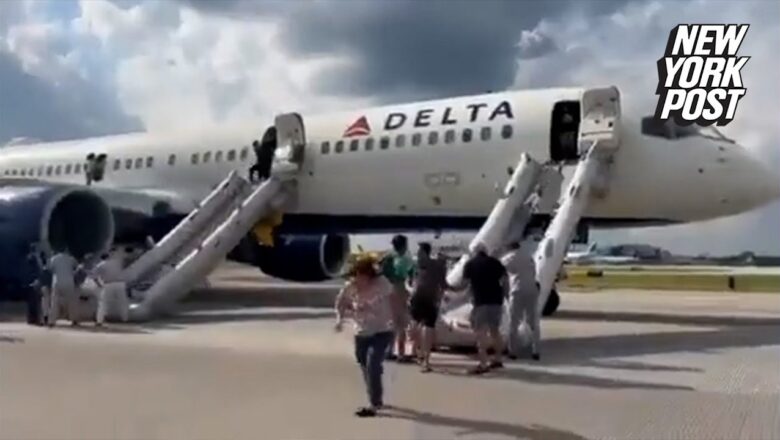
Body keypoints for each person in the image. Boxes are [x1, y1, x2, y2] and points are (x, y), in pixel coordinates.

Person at [335, 257, 396, 418]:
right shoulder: (350, 286)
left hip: (382, 331)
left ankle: (373, 404)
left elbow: (390, 297)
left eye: (364, 277)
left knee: (373, 363)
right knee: (365, 367)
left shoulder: (381, 283)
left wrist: (401, 320)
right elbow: (340, 302)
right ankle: (376, 397)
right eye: (357, 277)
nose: (360, 281)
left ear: (370, 276)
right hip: (361, 333)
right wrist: (339, 320)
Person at [462, 244, 508, 375]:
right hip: (496, 301)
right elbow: (505, 279)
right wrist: (505, 294)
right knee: (495, 331)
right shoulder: (496, 263)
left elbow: (465, 284)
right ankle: (498, 359)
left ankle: (483, 363)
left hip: (480, 301)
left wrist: (456, 292)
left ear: (474, 252)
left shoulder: (470, 264)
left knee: (480, 333)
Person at [409, 242, 449, 372]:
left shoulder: (419, 264)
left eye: (420, 253)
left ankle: (421, 356)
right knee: (423, 329)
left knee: (421, 327)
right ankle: (422, 358)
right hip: (424, 299)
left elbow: (412, 282)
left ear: (425, 253)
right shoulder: (437, 265)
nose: (419, 255)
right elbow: (443, 285)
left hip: (422, 299)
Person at [501, 241, 541, 361]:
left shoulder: (509, 258)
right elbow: (534, 273)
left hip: (517, 290)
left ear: (509, 248)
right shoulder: (529, 257)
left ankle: (512, 351)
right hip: (532, 289)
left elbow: (500, 271)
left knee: (514, 321)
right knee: (532, 321)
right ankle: (535, 350)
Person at [380, 234, 415, 362]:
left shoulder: (387, 258)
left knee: (391, 322)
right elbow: (411, 275)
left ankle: (388, 350)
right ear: (404, 245)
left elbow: (381, 272)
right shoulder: (405, 259)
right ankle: (400, 353)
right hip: (400, 288)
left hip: (388, 289)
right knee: (401, 323)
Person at [94, 252, 129, 326]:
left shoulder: (100, 265)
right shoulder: (116, 262)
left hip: (108, 284)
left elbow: (95, 277)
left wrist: (100, 285)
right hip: (120, 283)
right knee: (123, 302)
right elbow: (125, 263)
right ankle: (125, 319)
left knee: (103, 303)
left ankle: (99, 321)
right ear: (108, 257)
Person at [47, 249, 80, 327]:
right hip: (69, 282)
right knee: (72, 302)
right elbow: (76, 268)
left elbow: (49, 269)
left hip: (57, 281)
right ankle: (74, 319)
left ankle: (52, 321)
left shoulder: (54, 258)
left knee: (54, 302)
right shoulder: (71, 259)